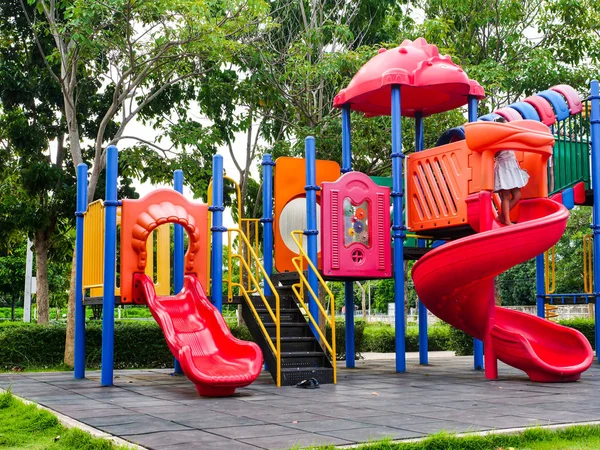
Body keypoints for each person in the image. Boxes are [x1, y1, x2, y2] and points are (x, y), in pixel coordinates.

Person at [493, 116, 530, 225]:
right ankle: (507, 221)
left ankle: (501, 216)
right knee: (505, 196)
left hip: (512, 166)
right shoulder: (497, 138)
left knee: (517, 195)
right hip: (503, 167)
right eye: (505, 125)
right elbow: (495, 154)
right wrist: (502, 143)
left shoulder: (510, 136)